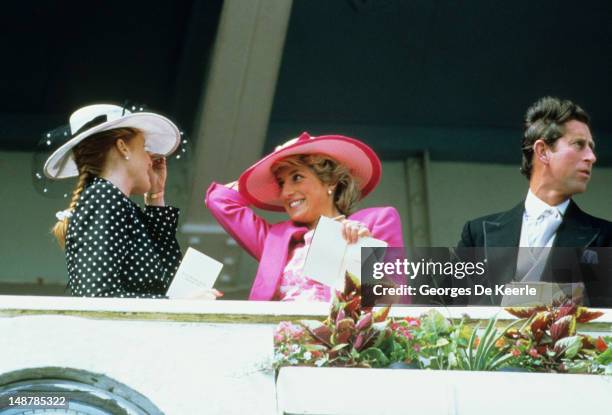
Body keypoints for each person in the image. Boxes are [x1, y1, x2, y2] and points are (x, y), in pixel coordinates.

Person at [45, 103, 218, 299]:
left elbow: (170, 282)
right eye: (144, 148)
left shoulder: (119, 204)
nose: (150, 160)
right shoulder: (103, 197)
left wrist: (156, 196)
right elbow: (97, 297)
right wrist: (177, 304)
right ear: (123, 147)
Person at [206, 132, 405, 301]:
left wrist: (363, 250)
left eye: (297, 177)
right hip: (279, 342)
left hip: (341, 342)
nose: (285, 192)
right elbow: (220, 201)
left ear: (331, 182)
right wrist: (258, 177)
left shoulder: (376, 221)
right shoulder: (275, 240)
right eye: (281, 183)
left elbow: (393, 300)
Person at [458, 96, 612, 305]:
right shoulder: (476, 235)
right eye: (579, 144)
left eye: (591, 147)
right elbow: (443, 311)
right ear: (542, 151)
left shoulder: (605, 239)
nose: (591, 157)